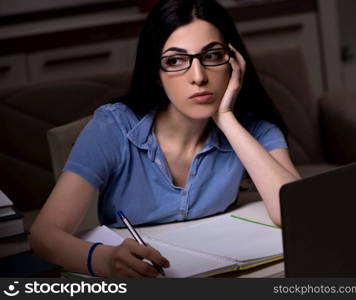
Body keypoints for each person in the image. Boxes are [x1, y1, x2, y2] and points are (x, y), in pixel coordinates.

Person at [30, 0, 300, 278]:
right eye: (175, 61)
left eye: (212, 56)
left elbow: (298, 213)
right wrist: (105, 260)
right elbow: (42, 236)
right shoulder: (112, 127)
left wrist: (227, 118)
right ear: (156, 74)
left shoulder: (255, 129)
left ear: (233, 63)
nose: (198, 77)